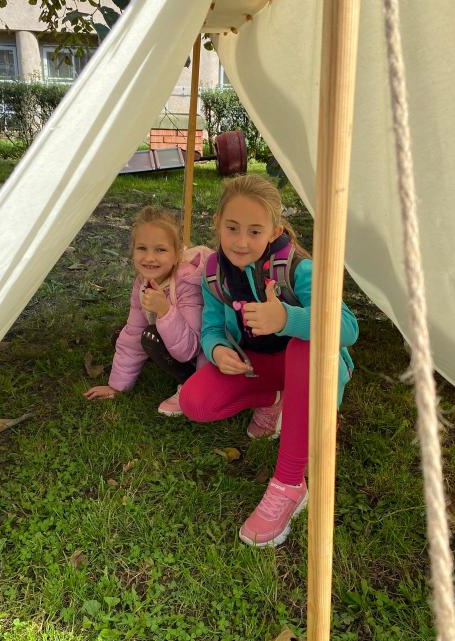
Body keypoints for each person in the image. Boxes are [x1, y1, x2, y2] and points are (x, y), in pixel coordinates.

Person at [179, 175, 359, 547]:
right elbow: (211, 327)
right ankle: (274, 400)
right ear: (217, 223)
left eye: (255, 231)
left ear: (275, 231)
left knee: (305, 346)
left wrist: (287, 319)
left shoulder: (297, 269)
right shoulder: (213, 272)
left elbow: (348, 328)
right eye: (232, 228)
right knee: (195, 402)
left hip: (309, 371)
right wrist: (217, 350)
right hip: (257, 365)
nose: (241, 241)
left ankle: (290, 484)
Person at [84, 206, 208, 415]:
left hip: (200, 358)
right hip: (174, 342)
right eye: (142, 248)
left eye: (160, 250)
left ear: (177, 254)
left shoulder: (188, 283)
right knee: (123, 334)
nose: (149, 257)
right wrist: (117, 386)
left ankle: (190, 383)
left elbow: (190, 349)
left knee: (150, 337)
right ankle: (145, 364)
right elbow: (133, 332)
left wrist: (165, 311)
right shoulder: (143, 283)